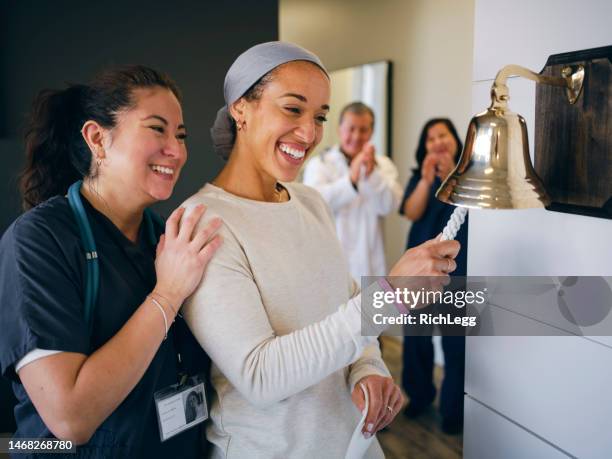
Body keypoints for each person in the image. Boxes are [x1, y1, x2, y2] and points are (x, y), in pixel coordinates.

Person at [180, 42, 460, 458]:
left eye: (320, 117)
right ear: (241, 108)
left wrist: (369, 369)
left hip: (354, 445)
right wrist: (392, 297)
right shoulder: (205, 223)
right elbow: (259, 376)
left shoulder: (310, 202)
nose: (309, 133)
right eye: (293, 109)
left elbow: (346, 304)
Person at [0, 66, 222, 457]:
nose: (177, 149)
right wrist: (167, 296)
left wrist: (366, 364)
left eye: (181, 135)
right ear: (97, 139)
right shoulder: (38, 240)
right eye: (157, 129)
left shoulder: (167, 239)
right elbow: (70, 419)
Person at [399, 118, 468, 435]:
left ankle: (454, 410)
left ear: (455, 140)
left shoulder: (470, 177)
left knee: (457, 343)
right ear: (423, 147)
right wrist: (427, 180)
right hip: (418, 270)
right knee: (416, 339)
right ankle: (419, 395)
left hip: (457, 269)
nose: (437, 141)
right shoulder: (418, 178)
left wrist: (451, 175)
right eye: (430, 138)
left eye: (443, 135)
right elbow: (411, 212)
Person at [303, 102, 402, 282]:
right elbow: (314, 204)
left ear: (372, 132)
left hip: (371, 266)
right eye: (351, 129)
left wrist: (372, 175)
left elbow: (389, 206)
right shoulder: (320, 164)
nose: (356, 136)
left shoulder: (383, 165)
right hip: (330, 269)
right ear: (340, 129)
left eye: (363, 130)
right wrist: (351, 180)